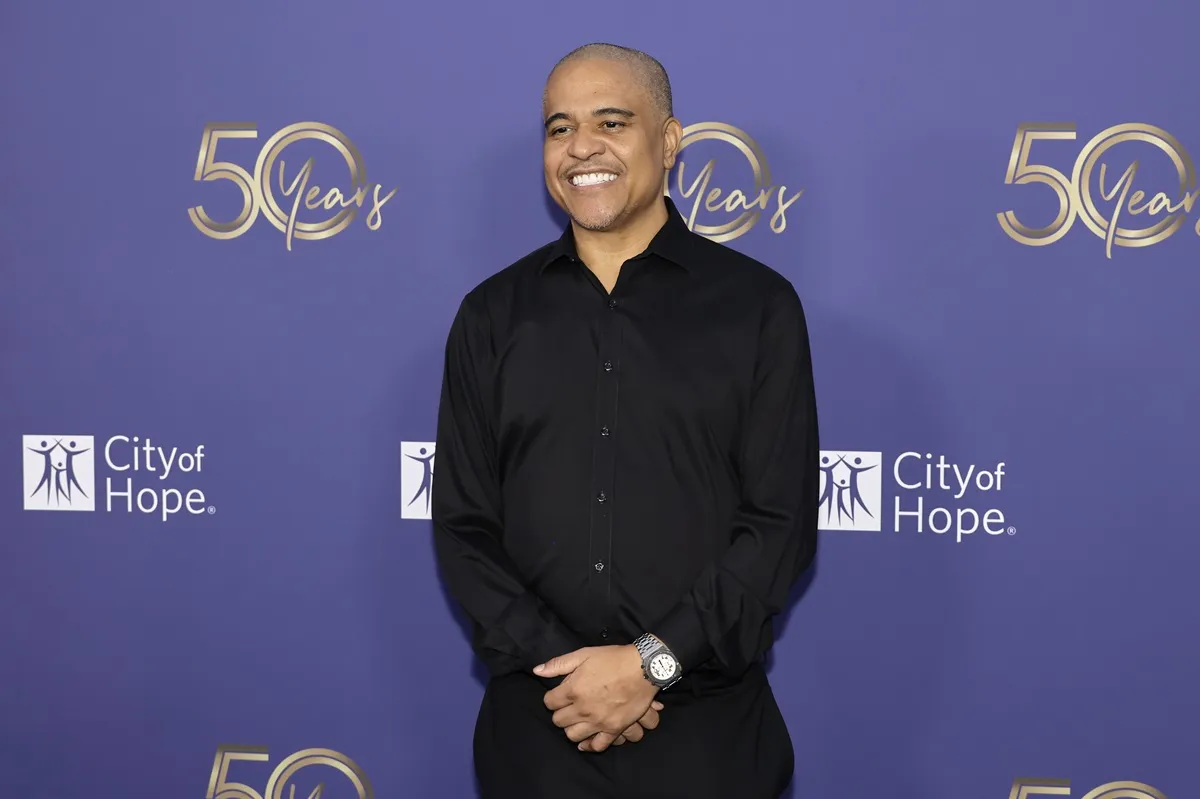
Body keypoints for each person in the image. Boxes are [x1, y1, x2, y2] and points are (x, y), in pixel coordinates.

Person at [431, 42, 819, 799]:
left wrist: (651, 662)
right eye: (559, 127)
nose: (582, 148)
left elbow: (778, 524)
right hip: (538, 729)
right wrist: (573, 676)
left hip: (707, 737)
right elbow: (463, 525)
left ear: (669, 141)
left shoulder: (758, 309)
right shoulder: (490, 316)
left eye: (612, 121)